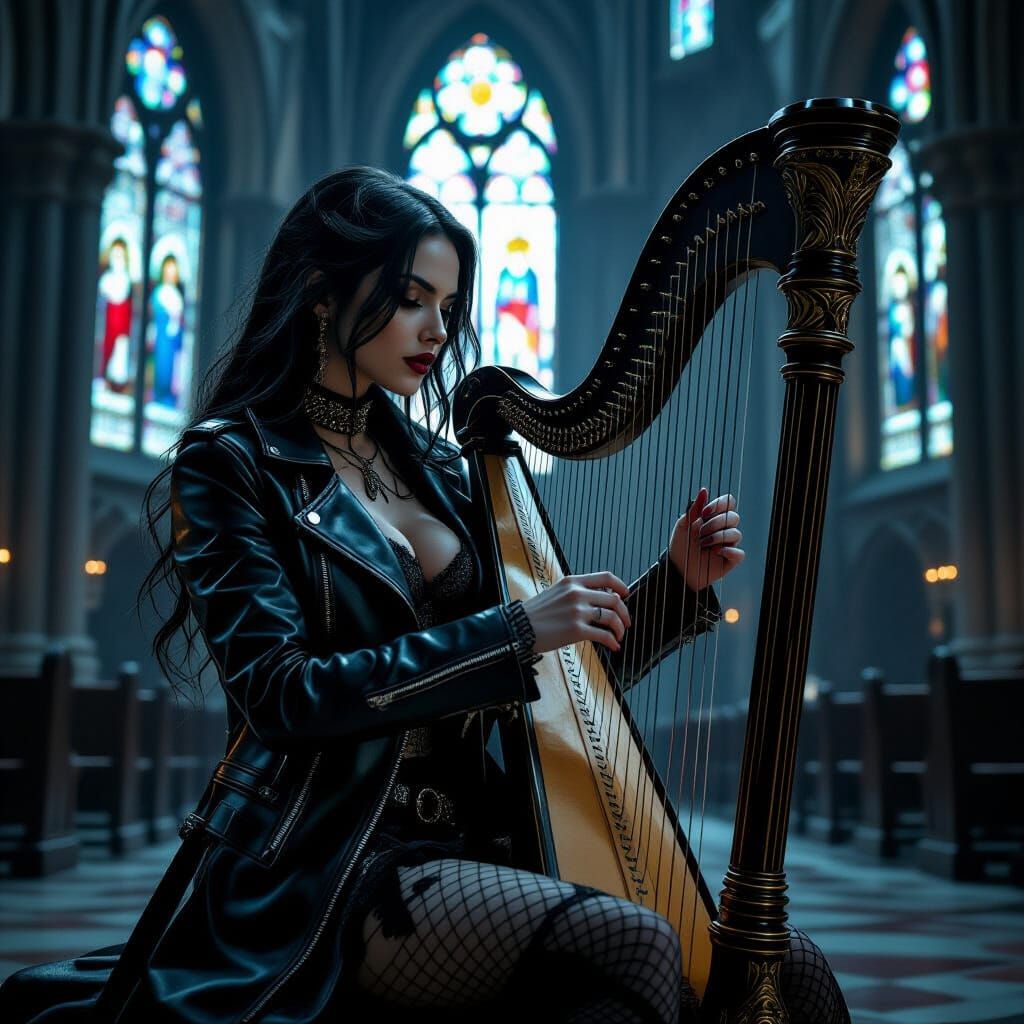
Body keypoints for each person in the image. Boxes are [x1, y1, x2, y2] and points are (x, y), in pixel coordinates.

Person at [0, 167, 849, 1024]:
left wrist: (671, 586)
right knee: (635, 945)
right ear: (323, 293)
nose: (437, 329)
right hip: (333, 858)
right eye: (411, 299)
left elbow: (548, 695)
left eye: (447, 305)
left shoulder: (446, 470)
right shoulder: (230, 464)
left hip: (482, 839)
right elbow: (283, 695)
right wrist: (514, 632)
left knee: (791, 970)